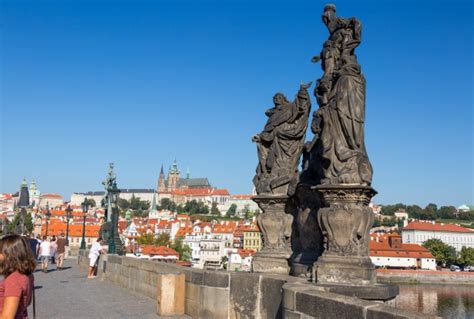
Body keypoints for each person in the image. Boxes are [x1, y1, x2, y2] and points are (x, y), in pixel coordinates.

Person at [0, 234, 36, 319]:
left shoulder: (14, 279)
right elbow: (27, 302)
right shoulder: (27, 275)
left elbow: (7, 317)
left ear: (9, 254)